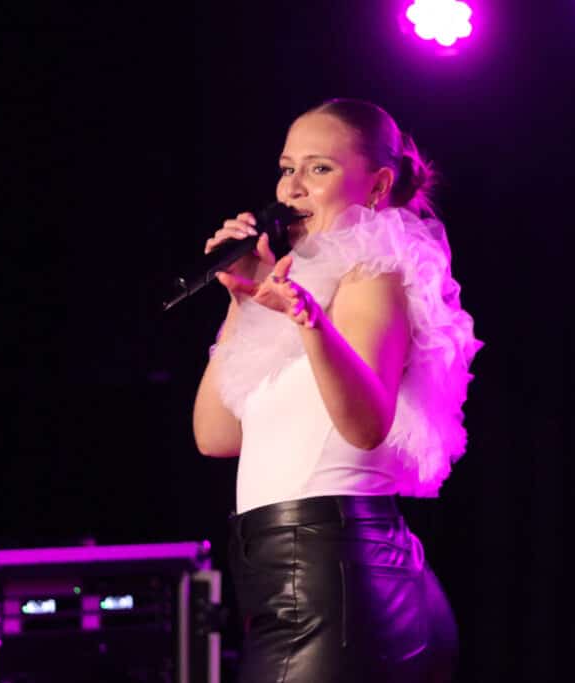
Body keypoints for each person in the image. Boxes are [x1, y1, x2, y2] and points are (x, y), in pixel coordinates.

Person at [191, 97, 482, 683]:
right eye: (286, 168)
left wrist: (309, 322)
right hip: (295, 579)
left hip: (336, 577)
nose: (292, 187)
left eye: (318, 168)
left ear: (377, 186)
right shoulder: (291, 289)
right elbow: (215, 436)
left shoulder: (373, 272)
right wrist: (241, 302)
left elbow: (367, 424)